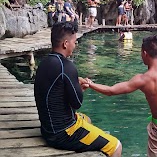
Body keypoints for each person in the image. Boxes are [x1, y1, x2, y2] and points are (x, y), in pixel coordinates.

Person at [34, 22, 122, 157]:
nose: (76, 46)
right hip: (63, 133)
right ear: (65, 43)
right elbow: (76, 103)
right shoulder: (67, 67)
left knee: (86, 119)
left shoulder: (44, 63)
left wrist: (73, 84)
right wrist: (79, 88)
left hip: (47, 129)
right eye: (74, 42)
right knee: (115, 146)